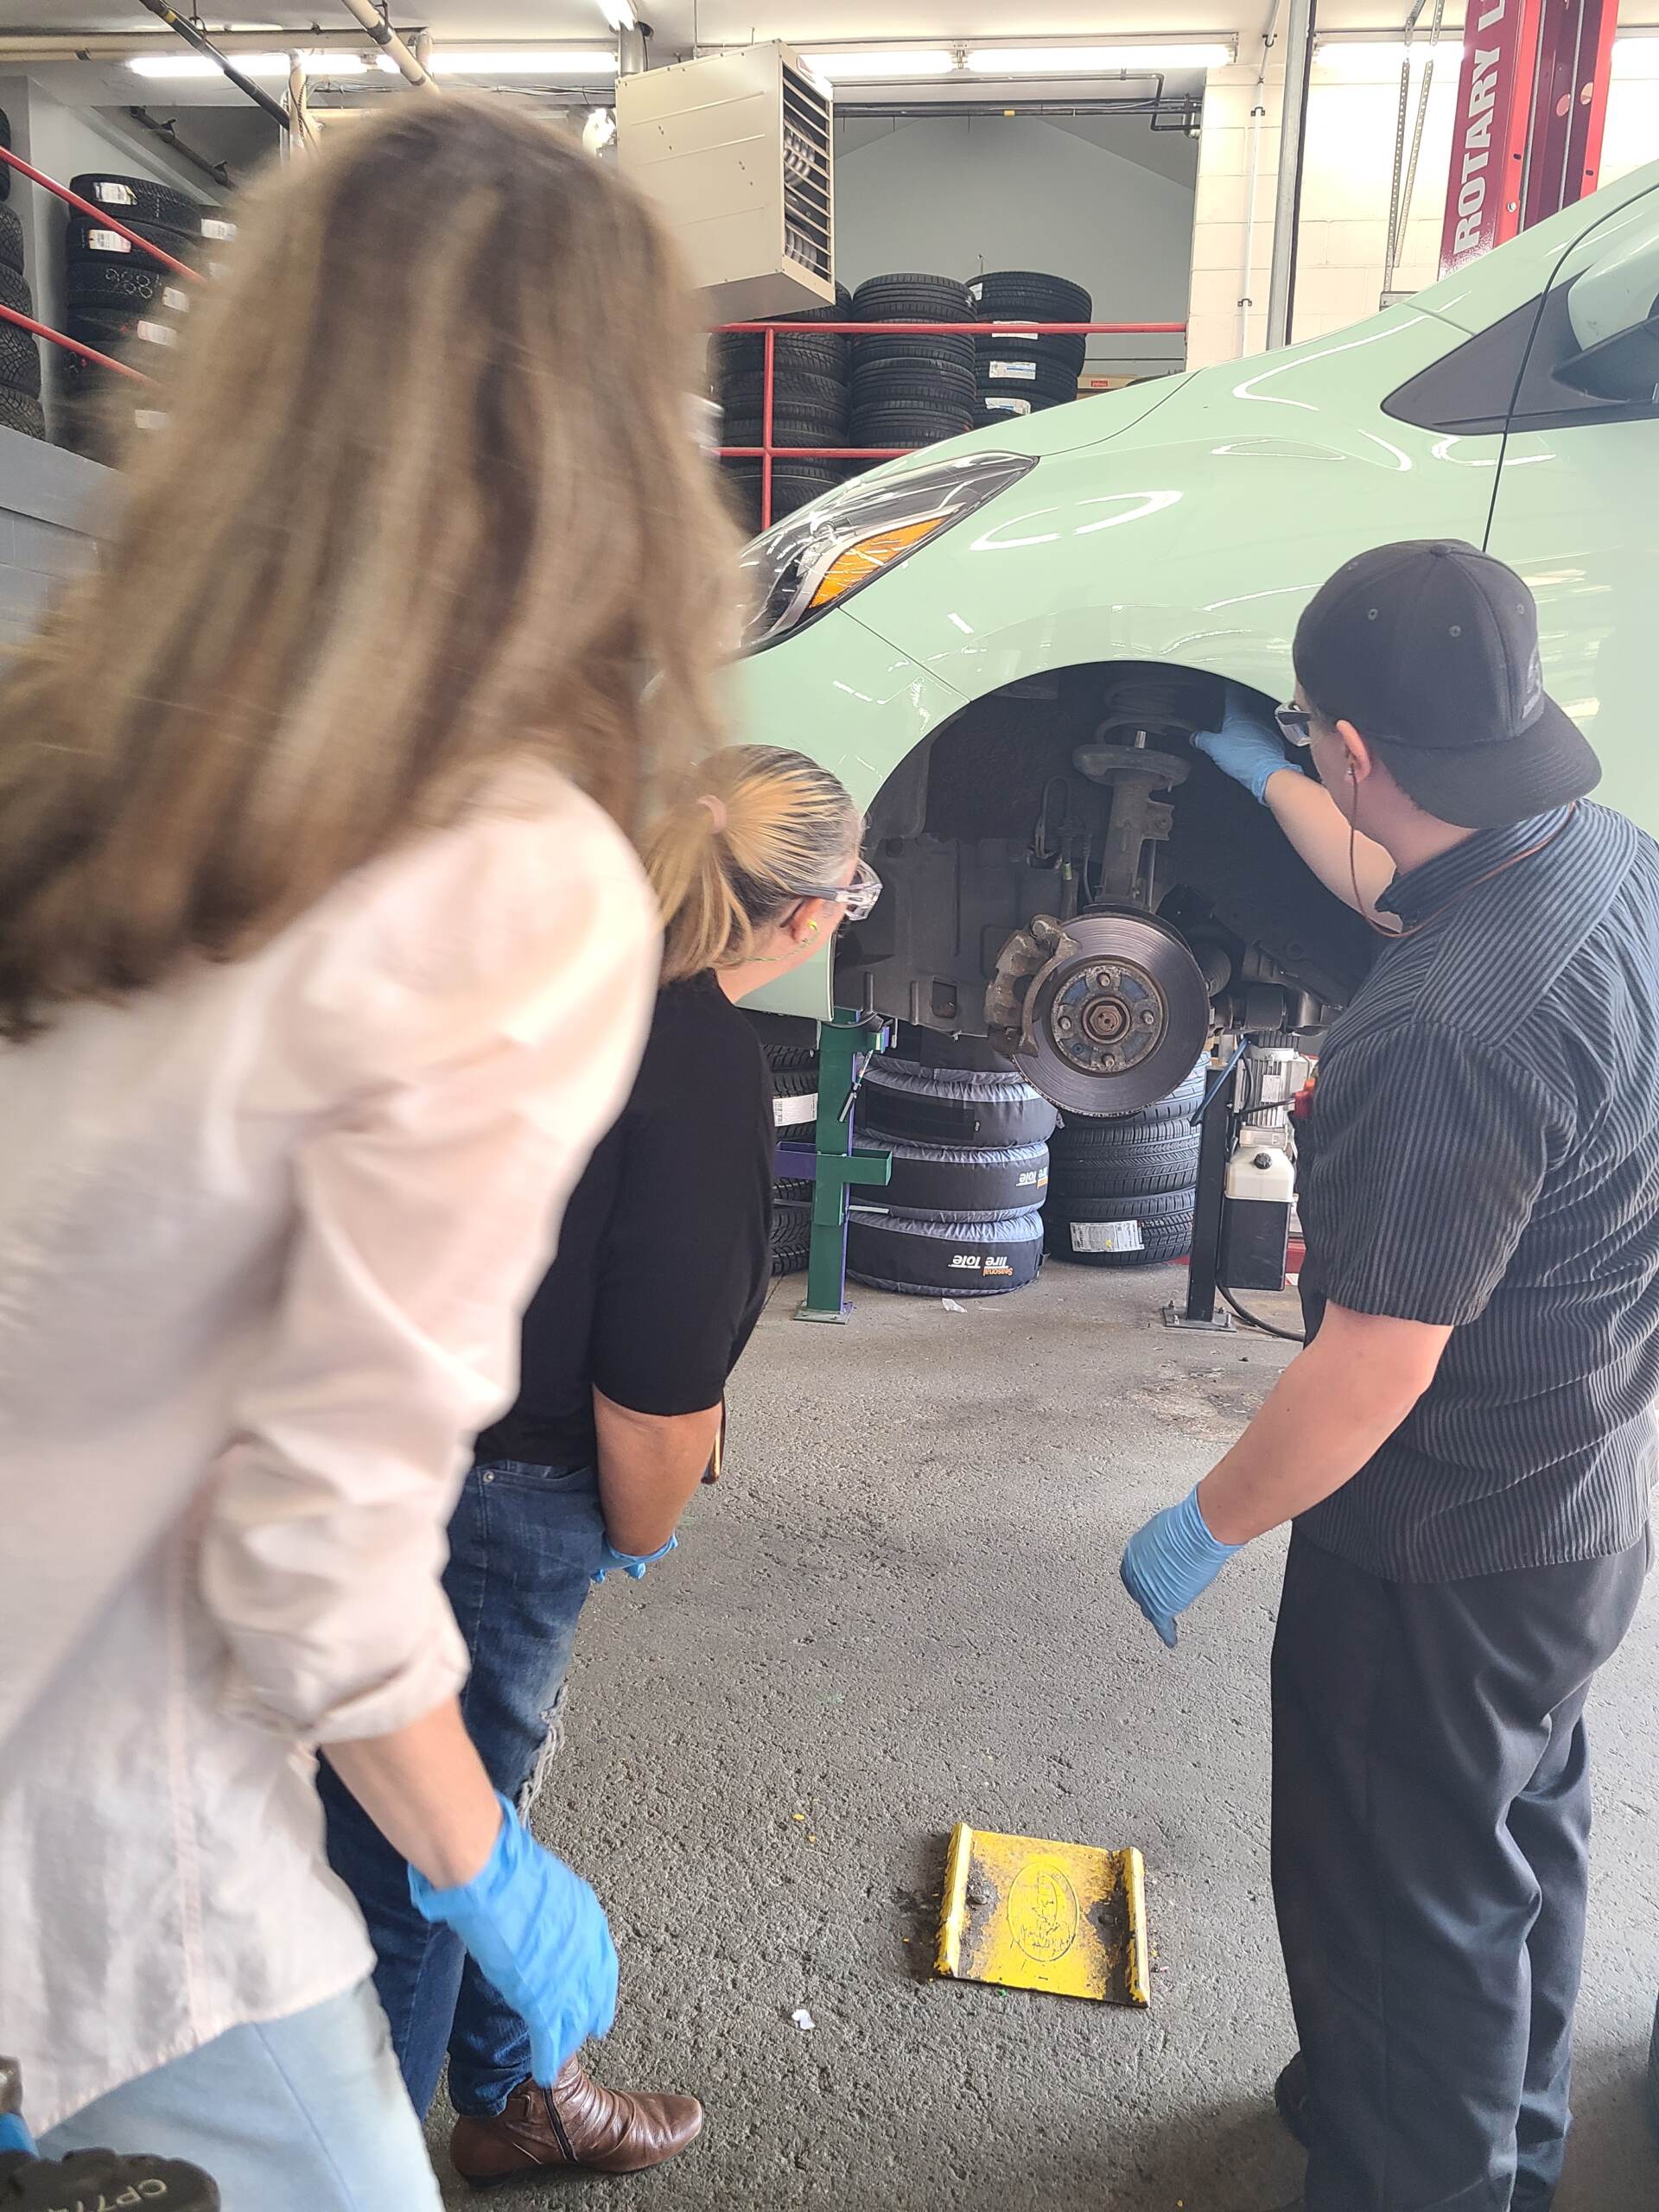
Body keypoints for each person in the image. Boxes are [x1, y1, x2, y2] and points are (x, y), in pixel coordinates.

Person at [0, 96, 740, 2210]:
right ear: (611, 455)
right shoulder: (515, 880)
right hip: (92, 1763)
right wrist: (486, 1855)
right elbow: (315, 1547)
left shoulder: (85, 758)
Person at [1122, 541, 1657, 2212]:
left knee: (1391, 1892)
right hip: (1577, 1496)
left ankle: (1412, 2167)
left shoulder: (1449, 1028)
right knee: (1512, 1837)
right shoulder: (1602, 856)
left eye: (1315, 746)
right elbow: (1394, 880)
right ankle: (1499, 2141)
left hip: (1435, 1543)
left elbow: (1370, 1373)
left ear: (1363, 749)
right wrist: (1266, 773)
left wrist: (1206, 1521)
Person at [323, 742, 873, 2185]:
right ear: (809, 918)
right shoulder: (693, 1064)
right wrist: (636, 1532)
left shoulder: (518, 969)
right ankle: (364, 2164)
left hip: (391, 1442)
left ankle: (509, 2094)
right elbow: (651, 1400)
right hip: (512, 1496)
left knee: (414, 1824)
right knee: (432, 1852)